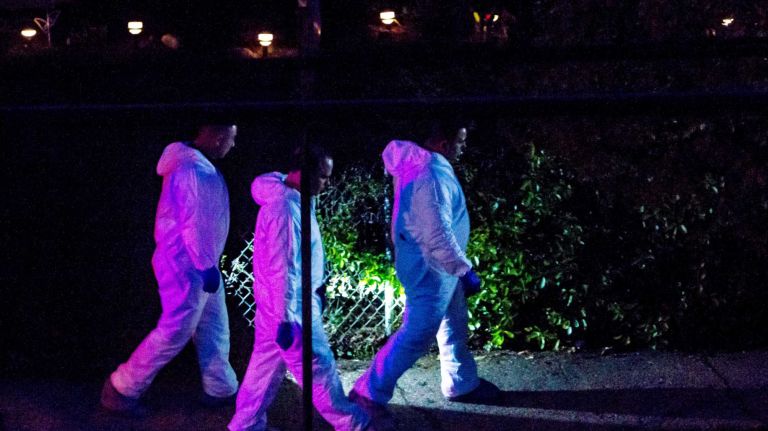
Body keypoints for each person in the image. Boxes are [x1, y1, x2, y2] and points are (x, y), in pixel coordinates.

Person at [350, 119, 501, 422]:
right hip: (432, 269)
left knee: (454, 321)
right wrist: (463, 270)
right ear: (444, 144)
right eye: (460, 141)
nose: (463, 147)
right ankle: (369, 391)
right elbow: (436, 234)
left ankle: (461, 382)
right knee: (418, 332)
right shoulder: (430, 176)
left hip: (434, 266)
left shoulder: (423, 169)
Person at [228, 146, 372, 431]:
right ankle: (354, 425)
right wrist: (287, 318)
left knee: (264, 369)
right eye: (323, 176)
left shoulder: (288, 199)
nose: (327, 183)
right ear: (304, 173)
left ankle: (245, 424)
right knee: (317, 368)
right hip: (293, 310)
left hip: (277, 307)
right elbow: (284, 267)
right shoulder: (287, 210)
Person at [101, 124, 240, 416]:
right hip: (187, 266)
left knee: (212, 327)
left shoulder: (196, 168)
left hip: (195, 265)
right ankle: (122, 387)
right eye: (231, 137)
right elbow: (195, 226)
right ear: (217, 136)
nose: (233, 144)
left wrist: (206, 265)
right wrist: (205, 266)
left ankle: (221, 387)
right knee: (177, 328)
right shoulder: (195, 172)